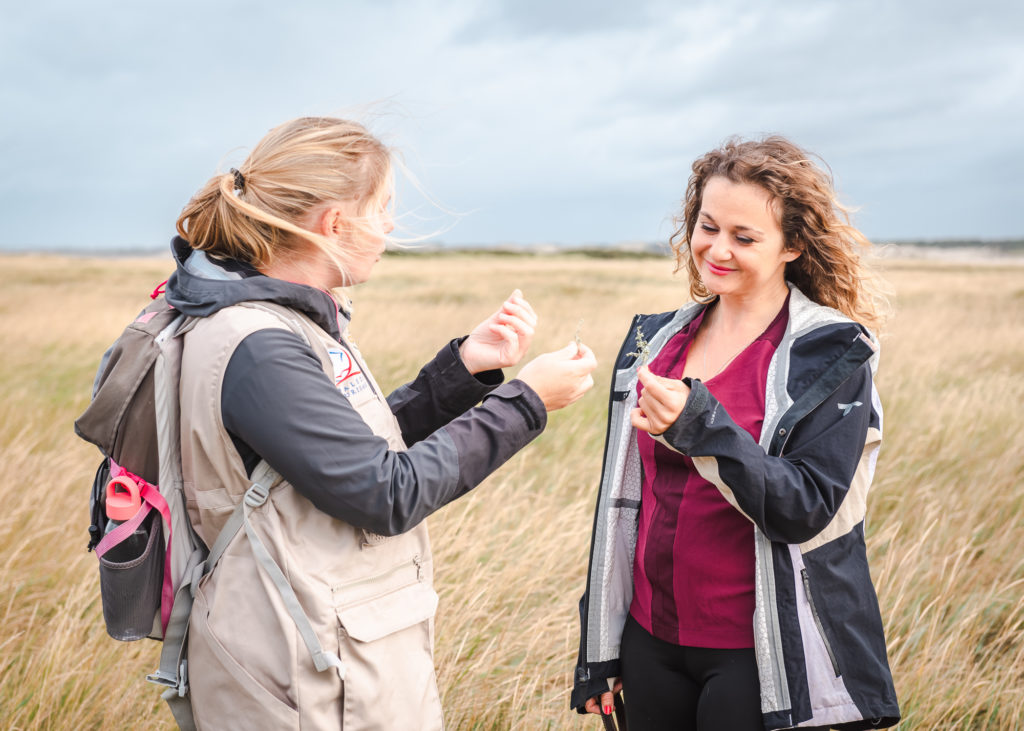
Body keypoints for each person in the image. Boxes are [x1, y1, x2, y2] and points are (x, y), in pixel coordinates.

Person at [164, 116, 597, 729]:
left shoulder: (276, 318)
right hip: (298, 670)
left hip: (319, 652)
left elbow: (343, 455)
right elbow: (384, 491)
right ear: (335, 224)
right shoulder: (260, 343)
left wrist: (466, 368)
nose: (391, 225)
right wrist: (527, 401)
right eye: (383, 208)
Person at [571, 136, 900, 730]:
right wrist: (600, 647)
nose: (717, 249)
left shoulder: (832, 354)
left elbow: (806, 507)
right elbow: (622, 508)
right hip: (650, 640)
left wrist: (703, 428)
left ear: (792, 246)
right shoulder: (655, 341)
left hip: (757, 651)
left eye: (744, 238)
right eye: (707, 226)